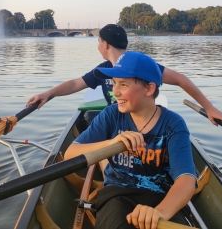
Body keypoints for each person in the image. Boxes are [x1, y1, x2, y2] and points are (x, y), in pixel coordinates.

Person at [65, 51, 196, 229]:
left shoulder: (173, 124)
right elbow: (70, 154)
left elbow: (186, 179)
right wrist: (112, 143)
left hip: (162, 197)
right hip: (116, 195)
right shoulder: (111, 115)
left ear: (149, 89)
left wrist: (160, 212)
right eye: (114, 84)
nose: (115, 92)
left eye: (123, 84)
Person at [26, 24, 222, 125]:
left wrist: (209, 108)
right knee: (93, 118)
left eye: (98, 41)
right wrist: (49, 93)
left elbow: (181, 79)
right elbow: (74, 84)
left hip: (142, 121)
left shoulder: (141, 65)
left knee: (92, 120)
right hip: (116, 122)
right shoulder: (104, 69)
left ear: (104, 44)